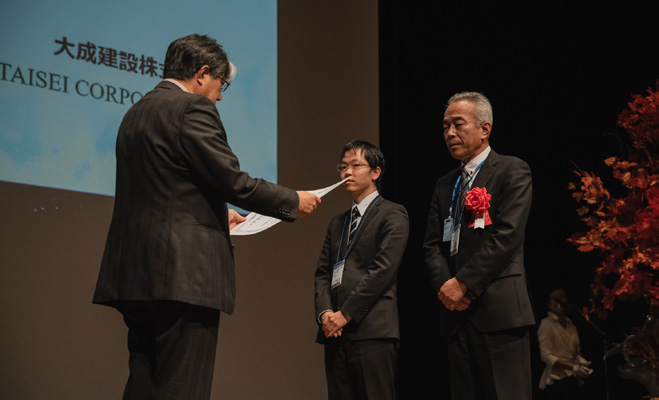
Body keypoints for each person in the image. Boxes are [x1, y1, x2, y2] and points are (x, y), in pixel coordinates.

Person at [92, 34, 321, 399]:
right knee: (181, 387)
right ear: (201, 74)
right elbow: (233, 181)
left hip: (135, 275)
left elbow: (163, 188)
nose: (219, 96)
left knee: (143, 383)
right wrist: (293, 200)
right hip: (183, 275)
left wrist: (215, 211)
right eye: (220, 84)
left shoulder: (135, 112)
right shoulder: (192, 108)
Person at [423, 92, 536, 399]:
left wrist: (464, 283)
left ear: (485, 129)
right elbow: (432, 245)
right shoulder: (445, 184)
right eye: (445, 126)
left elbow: (507, 236)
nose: (450, 133)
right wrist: (446, 287)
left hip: (499, 311)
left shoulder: (512, 170)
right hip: (455, 314)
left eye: (458, 124)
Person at [314, 140, 409, 400]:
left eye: (356, 166)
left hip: (372, 332)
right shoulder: (337, 223)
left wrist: (346, 313)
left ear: (376, 172)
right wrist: (326, 314)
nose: (347, 172)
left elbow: (383, 270)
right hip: (335, 332)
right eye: (343, 167)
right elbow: (322, 273)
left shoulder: (392, 213)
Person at [538, 288, 592, 400]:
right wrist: (573, 366)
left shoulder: (571, 326)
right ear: (548, 304)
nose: (559, 302)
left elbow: (575, 353)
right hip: (556, 381)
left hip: (572, 380)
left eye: (562, 297)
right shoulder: (546, 324)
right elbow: (546, 356)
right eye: (555, 299)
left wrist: (581, 362)